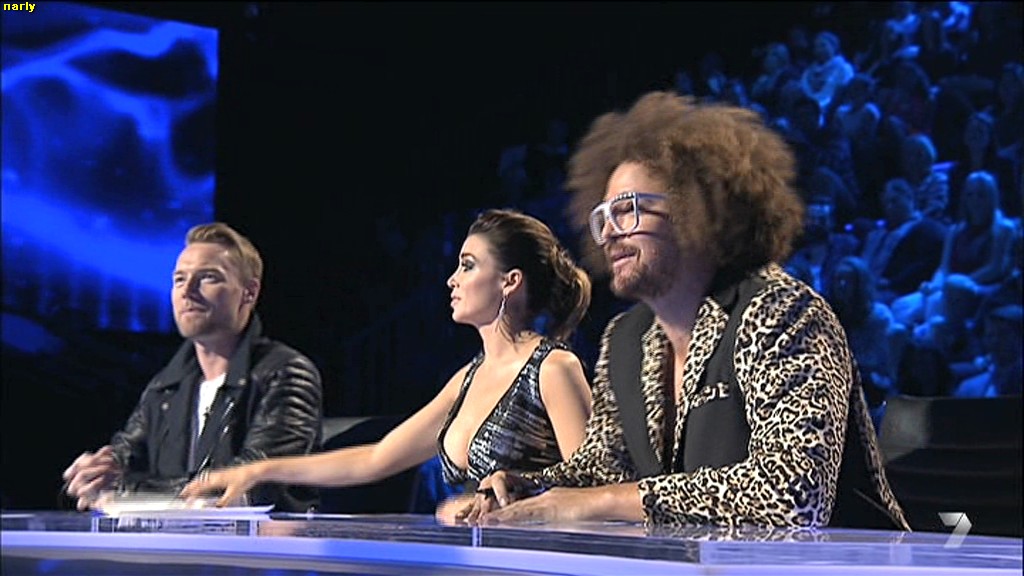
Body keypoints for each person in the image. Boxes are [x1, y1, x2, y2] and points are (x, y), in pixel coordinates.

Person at [463, 92, 910, 530]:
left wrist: (603, 501)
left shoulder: (784, 313)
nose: (609, 234)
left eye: (628, 211)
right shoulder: (625, 338)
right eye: (603, 217)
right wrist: (531, 488)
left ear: (698, 210)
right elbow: (606, 469)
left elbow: (795, 496)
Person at [181, 209, 593, 520]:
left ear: (510, 281)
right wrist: (259, 471)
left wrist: (522, 493)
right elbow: (376, 458)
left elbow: (594, 484)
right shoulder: (467, 379)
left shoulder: (553, 368)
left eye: (468, 265)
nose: (452, 279)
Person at [61, 223, 324, 512]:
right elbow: (126, 454)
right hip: (173, 538)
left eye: (208, 277)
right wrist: (98, 472)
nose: (187, 291)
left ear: (249, 292)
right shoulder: (165, 386)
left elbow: (247, 484)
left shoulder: (285, 373)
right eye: (179, 279)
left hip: (263, 540)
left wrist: (124, 488)